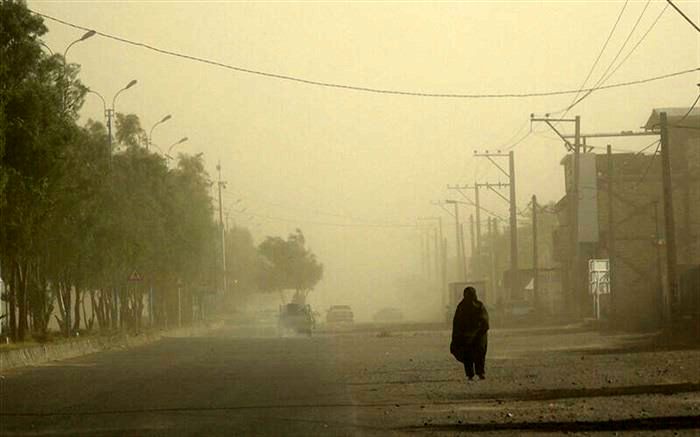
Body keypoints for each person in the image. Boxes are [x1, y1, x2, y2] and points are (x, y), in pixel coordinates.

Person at [450, 286, 489, 380]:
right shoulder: (477, 305)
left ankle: (473, 373)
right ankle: (478, 373)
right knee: (474, 354)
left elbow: (456, 323)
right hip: (473, 337)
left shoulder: (462, 306)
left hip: (473, 336)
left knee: (473, 354)